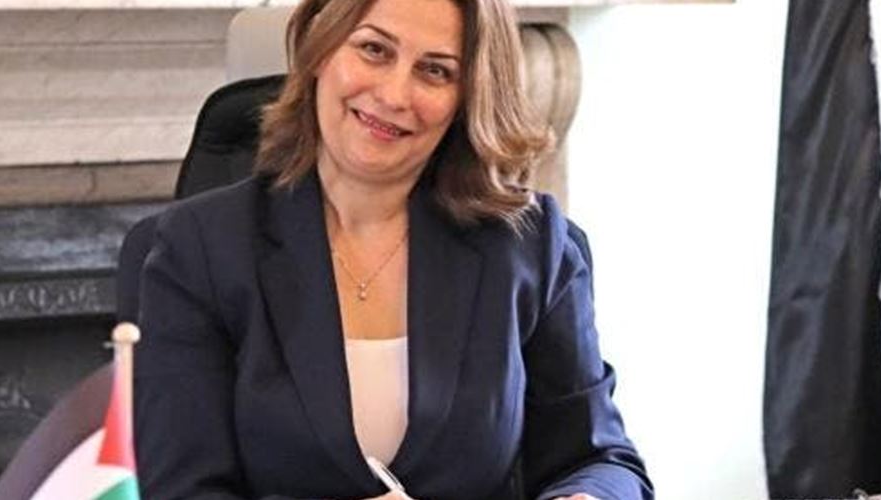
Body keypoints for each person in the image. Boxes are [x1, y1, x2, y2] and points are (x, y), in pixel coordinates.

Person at [133, 0, 653, 498]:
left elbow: (600, 459)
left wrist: (585, 496)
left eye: (435, 71)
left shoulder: (530, 246)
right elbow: (181, 491)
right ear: (321, 48)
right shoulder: (200, 248)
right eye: (374, 50)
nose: (394, 94)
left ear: (467, 97)